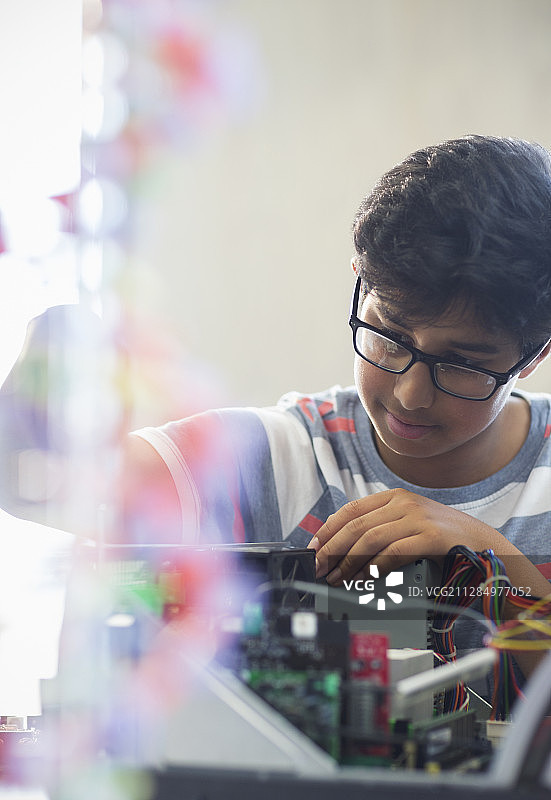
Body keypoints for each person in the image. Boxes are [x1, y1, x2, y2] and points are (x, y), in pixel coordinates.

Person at [2, 135, 551, 651]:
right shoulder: (277, 459)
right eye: (389, 336)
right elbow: (32, 482)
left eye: (459, 364)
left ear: (533, 355)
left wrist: (492, 558)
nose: (409, 394)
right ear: (360, 279)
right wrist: (47, 378)